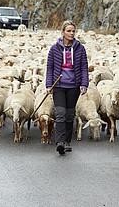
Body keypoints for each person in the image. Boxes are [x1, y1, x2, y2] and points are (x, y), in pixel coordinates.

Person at [45, 20, 89, 155]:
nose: (71, 33)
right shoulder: (54, 49)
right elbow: (50, 67)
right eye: (68, 31)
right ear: (63, 32)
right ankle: (60, 142)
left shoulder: (80, 48)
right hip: (58, 85)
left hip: (73, 86)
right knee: (60, 113)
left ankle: (67, 141)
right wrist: (48, 84)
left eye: (73, 31)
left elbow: (83, 68)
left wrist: (84, 84)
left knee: (70, 115)